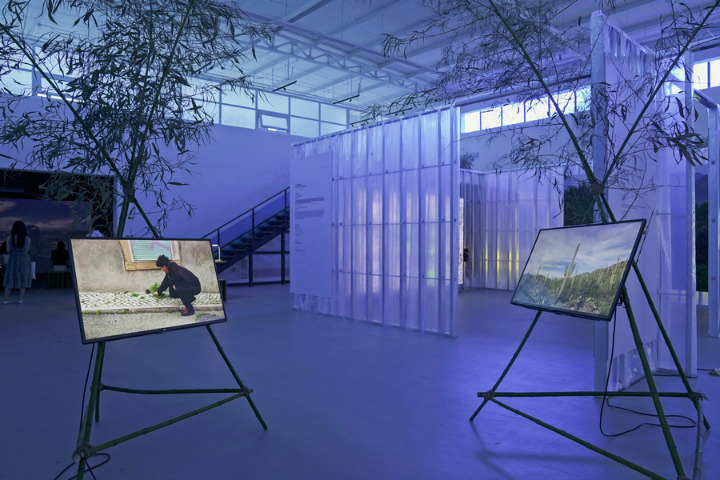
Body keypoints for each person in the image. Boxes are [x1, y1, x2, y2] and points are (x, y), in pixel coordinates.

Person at [3, 220, 32, 305]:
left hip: (13, 259)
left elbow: (8, 250)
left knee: (10, 278)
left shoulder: (9, 238)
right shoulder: (27, 239)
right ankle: (20, 299)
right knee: (23, 277)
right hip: (24, 259)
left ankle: (5, 299)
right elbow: (28, 249)